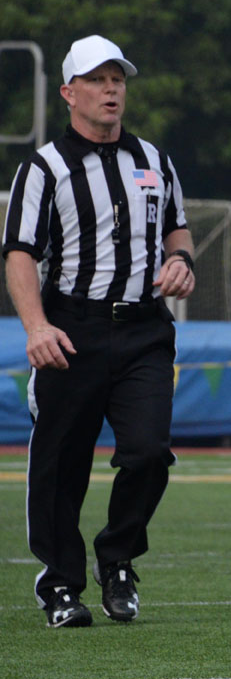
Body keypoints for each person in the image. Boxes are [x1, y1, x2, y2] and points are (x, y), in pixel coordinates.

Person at [2, 34, 196, 627]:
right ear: (69, 93)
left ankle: (118, 560)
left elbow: (178, 229)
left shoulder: (154, 160)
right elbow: (19, 253)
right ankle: (61, 583)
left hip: (144, 331)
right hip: (71, 330)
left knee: (149, 453)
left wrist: (182, 262)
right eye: (97, 79)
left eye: (118, 79)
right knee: (61, 464)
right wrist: (35, 327)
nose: (111, 89)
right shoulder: (44, 168)